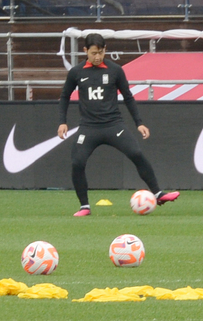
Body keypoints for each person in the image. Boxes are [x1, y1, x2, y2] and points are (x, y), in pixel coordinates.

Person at [58, 33, 179, 216]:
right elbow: (65, 96)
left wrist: (139, 123)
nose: (97, 57)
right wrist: (62, 122)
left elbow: (128, 97)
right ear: (85, 51)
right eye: (93, 53)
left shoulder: (115, 70)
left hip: (113, 125)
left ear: (105, 50)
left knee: (136, 153)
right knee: (77, 162)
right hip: (89, 128)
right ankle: (84, 206)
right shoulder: (76, 72)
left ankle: (158, 193)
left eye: (100, 52)